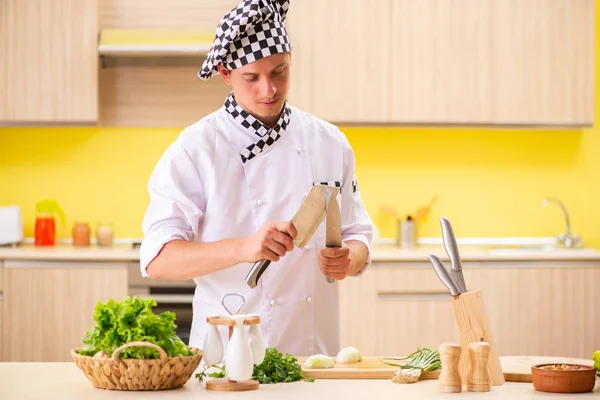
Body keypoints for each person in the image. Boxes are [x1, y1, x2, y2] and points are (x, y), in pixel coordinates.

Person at [139, 0, 374, 357]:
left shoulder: (328, 141)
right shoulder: (196, 148)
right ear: (225, 73)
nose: (269, 90)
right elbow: (158, 259)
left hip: (314, 358)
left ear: (292, 59)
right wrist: (245, 247)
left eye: (279, 71)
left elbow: (358, 234)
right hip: (226, 356)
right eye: (252, 77)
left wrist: (350, 258)